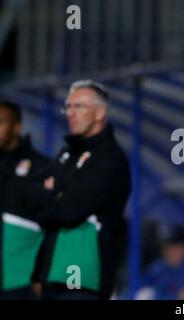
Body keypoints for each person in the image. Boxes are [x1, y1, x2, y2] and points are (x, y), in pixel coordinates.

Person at [7, 80, 131, 300]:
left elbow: (68, 211)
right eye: (68, 107)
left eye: (79, 106)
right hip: (51, 273)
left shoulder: (110, 160)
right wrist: (54, 195)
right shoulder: (68, 154)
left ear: (100, 113)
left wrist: (51, 197)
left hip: (81, 275)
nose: (70, 113)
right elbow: (27, 194)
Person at [0, 100, 50, 299]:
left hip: (21, 281)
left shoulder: (42, 168)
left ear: (17, 127)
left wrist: (43, 273)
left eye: (1, 122)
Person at [134, 224, 184, 300]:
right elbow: (136, 289)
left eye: (175, 248)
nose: (170, 252)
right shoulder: (157, 268)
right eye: (167, 248)